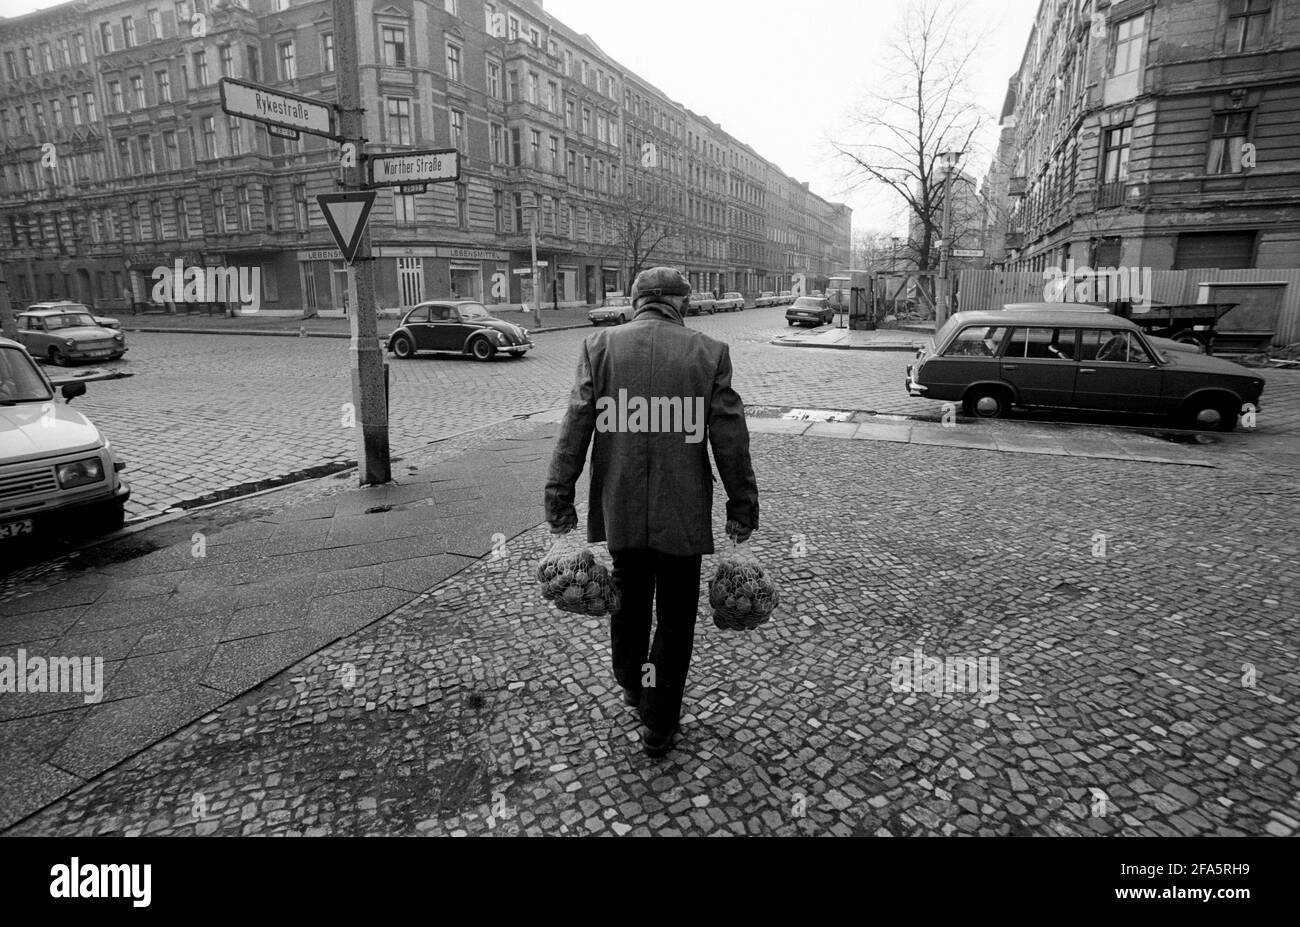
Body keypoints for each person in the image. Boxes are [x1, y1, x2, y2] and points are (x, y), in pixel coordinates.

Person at [545, 266, 759, 758]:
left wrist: (559, 499)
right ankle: (659, 722)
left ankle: (630, 682)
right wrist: (742, 505)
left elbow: (575, 426)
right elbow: (730, 439)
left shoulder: (599, 348)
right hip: (681, 510)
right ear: (681, 302)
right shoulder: (709, 352)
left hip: (620, 504)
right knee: (677, 616)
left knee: (631, 598)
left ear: (635, 300)